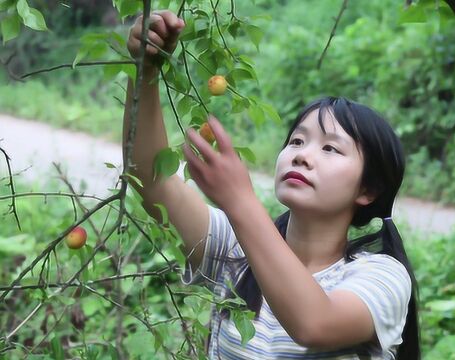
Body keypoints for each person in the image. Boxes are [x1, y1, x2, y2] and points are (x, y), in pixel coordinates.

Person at [123, 10, 420, 360]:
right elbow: (150, 179)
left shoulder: (382, 277)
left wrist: (240, 202)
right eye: (296, 141)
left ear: (367, 190)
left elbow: (315, 324)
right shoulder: (235, 249)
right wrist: (146, 70)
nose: (302, 156)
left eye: (329, 148)